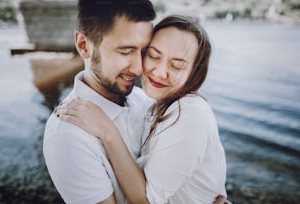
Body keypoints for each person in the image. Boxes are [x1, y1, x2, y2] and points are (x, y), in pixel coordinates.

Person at [55, 15, 229, 204]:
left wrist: (107, 131)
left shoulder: (190, 113)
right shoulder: (153, 104)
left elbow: (146, 200)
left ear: (195, 73)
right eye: (153, 55)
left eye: (177, 65)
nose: (160, 72)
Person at [43, 1, 156, 203]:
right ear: (84, 46)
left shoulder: (141, 99)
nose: (139, 68)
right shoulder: (67, 136)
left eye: (144, 51)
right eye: (125, 51)